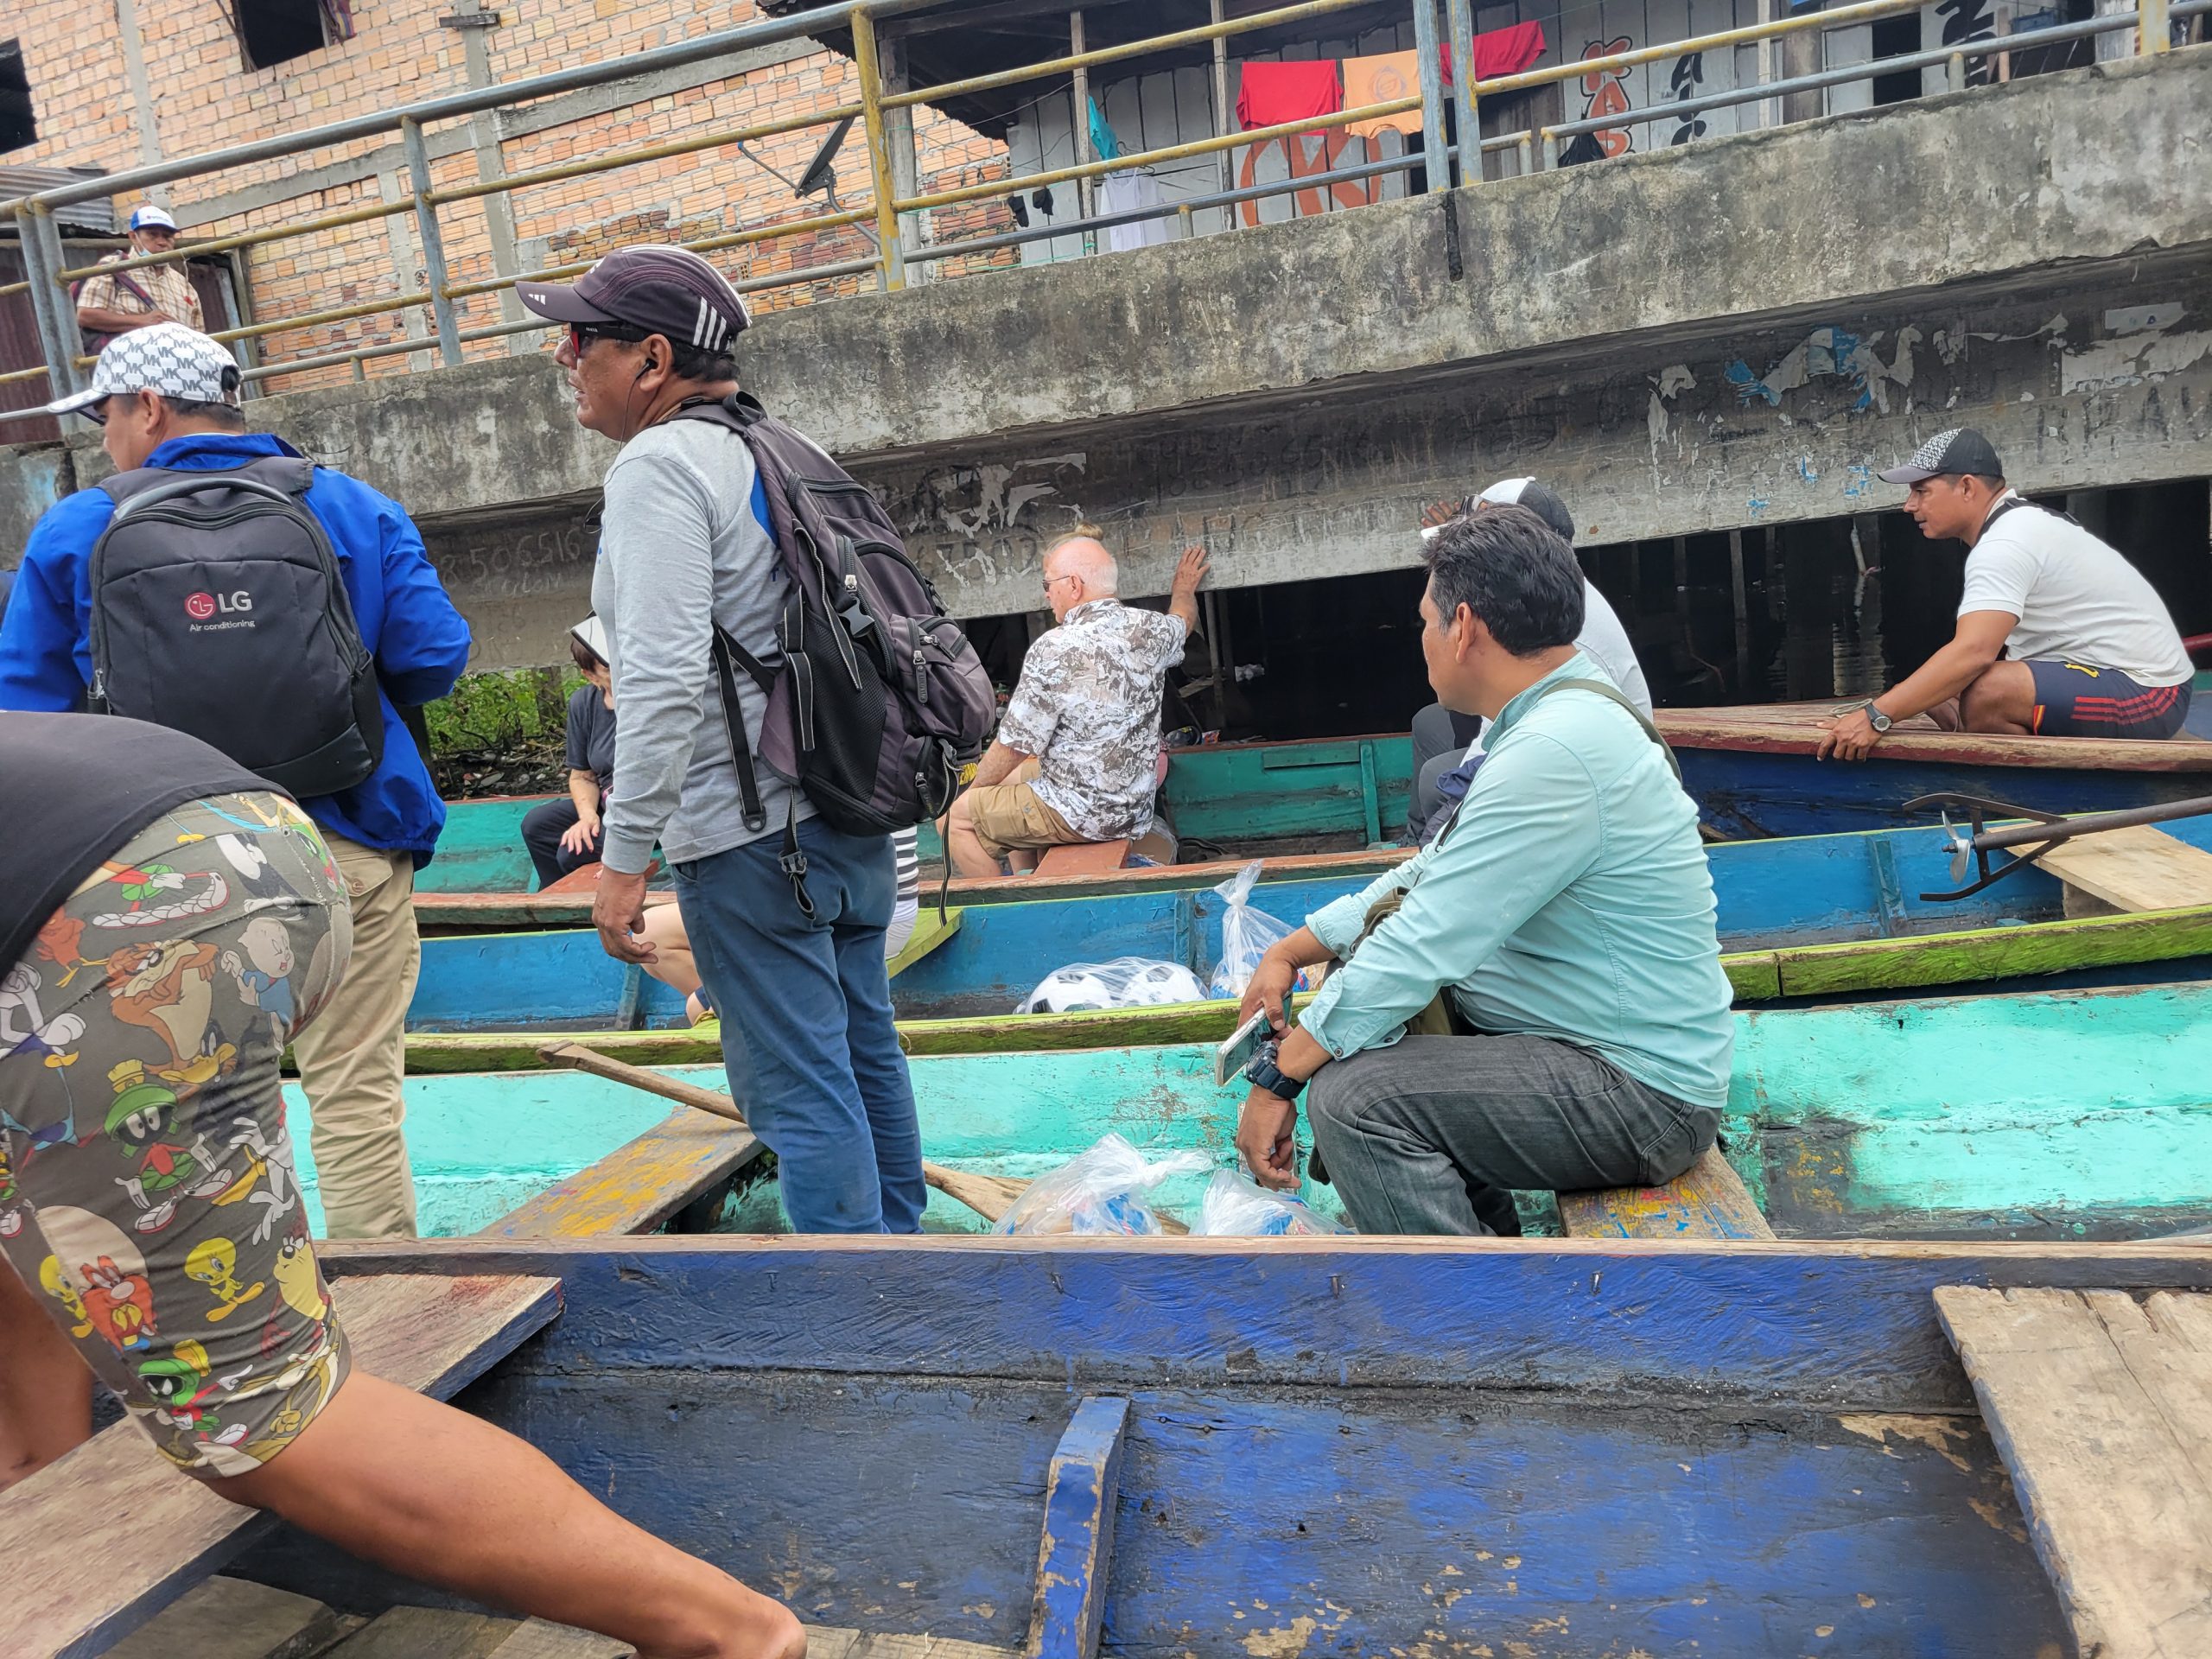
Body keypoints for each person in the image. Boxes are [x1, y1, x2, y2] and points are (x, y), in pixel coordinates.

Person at [0, 713, 804, 1659]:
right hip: (268, 850)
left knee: (256, 1417)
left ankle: (724, 1633)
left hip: (118, 932)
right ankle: (36, 1478)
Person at [0, 323, 472, 1242]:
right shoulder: (353, 507)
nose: (105, 437)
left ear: (149, 407)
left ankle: (237, 1334)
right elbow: (436, 658)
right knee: (357, 1103)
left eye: (105, 415)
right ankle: (388, 1317)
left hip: (159, 873)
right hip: (347, 843)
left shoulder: (79, 527)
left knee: (194, 1126)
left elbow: (27, 715)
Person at [518, 244, 924, 1235]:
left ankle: (858, 1302)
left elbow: (654, 687)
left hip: (753, 843)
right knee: (866, 1051)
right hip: (849, 820)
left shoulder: (656, 467)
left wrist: (621, 864)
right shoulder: (782, 447)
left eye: (581, 339)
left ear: (651, 359)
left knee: (798, 1086)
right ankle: (903, 1266)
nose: (565, 355)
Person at [1230, 505, 1734, 1236]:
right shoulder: (1544, 711)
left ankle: (1473, 1329)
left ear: (1463, 626)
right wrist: (1294, 949)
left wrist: (1280, 1076)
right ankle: (1493, 1248)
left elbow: (1428, 939)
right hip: (1578, 1044)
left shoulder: (1555, 749)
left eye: (1425, 623)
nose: (1424, 643)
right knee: (1368, 1042)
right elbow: (1436, 866)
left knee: (1355, 1101)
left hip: (1641, 1092)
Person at [1818, 428, 2193, 759]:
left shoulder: (2006, 542)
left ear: (1966, 487)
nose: (1909, 505)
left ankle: (2029, 804)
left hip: (2151, 696)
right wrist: (1909, 699)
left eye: (1921, 491)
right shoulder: (2016, 524)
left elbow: (1974, 653)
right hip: (2120, 681)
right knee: (1936, 692)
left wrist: (1874, 716)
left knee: (1986, 691)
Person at [943, 530, 1209, 877]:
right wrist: (1184, 587)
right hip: (1133, 809)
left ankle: (1006, 913)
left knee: (954, 821)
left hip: (1083, 815)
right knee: (1014, 779)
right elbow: (1183, 620)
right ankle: (1029, 878)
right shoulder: (1151, 630)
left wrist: (971, 793)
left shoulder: (1053, 648)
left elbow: (1013, 746)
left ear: (1073, 585)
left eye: (1048, 583)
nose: (1047, 593)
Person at [1405, 477, 1652, 843]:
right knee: (1431, 724)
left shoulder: (1551, 632)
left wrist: (1439, 844)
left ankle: (1418, 845)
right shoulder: (1542, 598)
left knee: (1436, 779)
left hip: (1593, 788)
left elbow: (1499, 745)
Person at [638, 826, 922, 1025]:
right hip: (888, 904)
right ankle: (749, 1007)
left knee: (695, 1003)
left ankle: (751, 1012)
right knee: (649, 935)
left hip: (852, 913)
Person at [522, 616, 618, 890]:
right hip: (605, 802)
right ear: (590, 676)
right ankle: (553, 899)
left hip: (641, 807)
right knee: (537, 825)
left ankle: (593, 904)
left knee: (573, 850)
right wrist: (588, 815)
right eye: (609, 666)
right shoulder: (583, 704)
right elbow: (583, 776)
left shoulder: (648, 695)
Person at [74, 204, 206, 351]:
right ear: (133, 237)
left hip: (177, 367)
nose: (162, 242)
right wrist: (143, 321)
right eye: (152, 235)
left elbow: (200, 339)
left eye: (167, 236)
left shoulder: (184, 285)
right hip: (130, 365)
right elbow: (86, 316)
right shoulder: (113, 267)